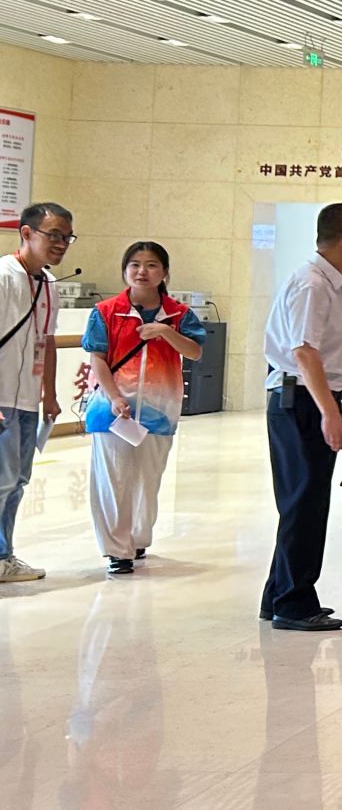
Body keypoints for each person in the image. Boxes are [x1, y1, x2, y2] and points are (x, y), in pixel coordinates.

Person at [259, 203, 342, 631]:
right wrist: (329, 412)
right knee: (304, 503)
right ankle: (293, 603)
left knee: (303, 502)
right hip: (301, 401)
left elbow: (330, 352)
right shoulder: (311, 283)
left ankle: (278, 595)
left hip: (311, 397)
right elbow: (304, 352)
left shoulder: (327, 284)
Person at [81, 242, 205, 574]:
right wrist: (114, 397)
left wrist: (165, 331)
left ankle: (136, 539)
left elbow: (195, 352)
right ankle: (116, 551)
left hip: (159, 409)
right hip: (111, 409)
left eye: (151, 265)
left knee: (148, 479)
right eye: (135, 264)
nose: (142, 271)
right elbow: (97, 359)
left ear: (164, 272)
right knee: (113, 479)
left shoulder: (179, 314)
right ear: (125, 270)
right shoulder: (106, 311)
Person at [0, 201, 70, 583]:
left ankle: (3, 556)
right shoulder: (3, 276)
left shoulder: (49, 284)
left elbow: (47, 341)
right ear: (26, 233)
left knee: (17, 481)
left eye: (67, 237)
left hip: (27, 400)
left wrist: (50, 394)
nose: (61, 244)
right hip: (1, 399)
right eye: (54, 235)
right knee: (2, 481)